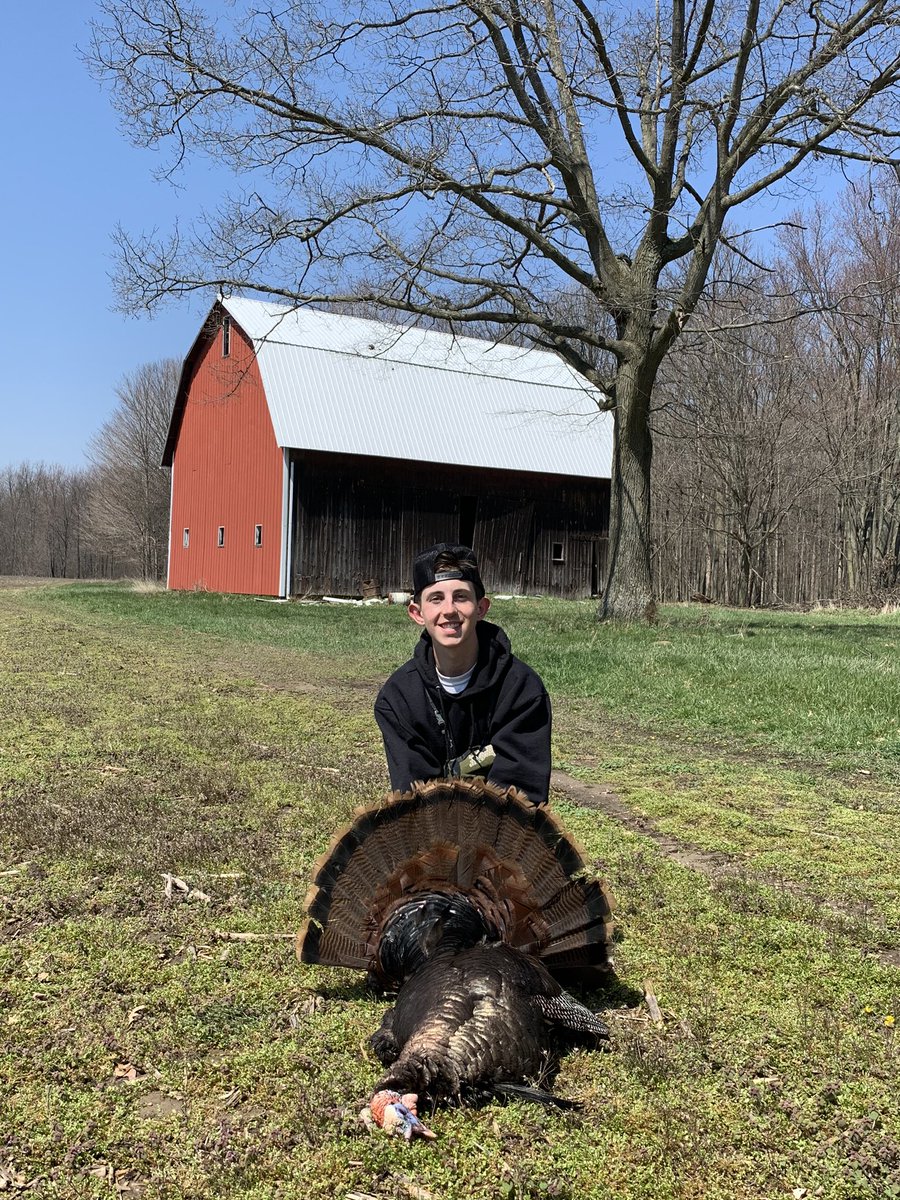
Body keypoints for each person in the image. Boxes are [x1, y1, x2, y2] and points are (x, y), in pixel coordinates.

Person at [374, 543, 552, 805]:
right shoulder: (398, 699)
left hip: (501, 838)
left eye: (461, 597)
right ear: (417, 613)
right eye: (436, 598)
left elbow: (522, 798)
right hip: (434, 836)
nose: (449, 610)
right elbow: (413, 798)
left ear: (481, 608)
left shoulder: (522, 690)